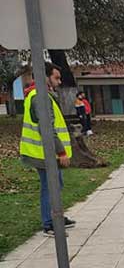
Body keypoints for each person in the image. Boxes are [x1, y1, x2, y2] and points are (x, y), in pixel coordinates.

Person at [20, 63, 76, 237]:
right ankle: (50, 223)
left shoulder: (39, 95)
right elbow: (47, 128)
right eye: (56, 78)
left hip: (43, 151)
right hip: (42, 153)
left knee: (56, 184)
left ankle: (55, 217)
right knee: (50, 186)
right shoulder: (40, 97)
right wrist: (61, 152)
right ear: (44, 77)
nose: (59, 82)